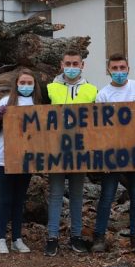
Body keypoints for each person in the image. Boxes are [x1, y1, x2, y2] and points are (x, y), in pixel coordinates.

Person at [92, 54, 135, 254]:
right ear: (109, 70)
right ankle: (99, 238)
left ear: (128, 68)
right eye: (115, 68)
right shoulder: (103, 95)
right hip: (112, 154)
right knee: (106, 196)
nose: (119, 71)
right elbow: (97, 126)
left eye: (122, 67)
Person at [44, 50, 98, 256]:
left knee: (77, 195)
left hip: (80, 150)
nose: (72, 66)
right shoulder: (50, 88)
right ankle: (52, 237)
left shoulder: (92, 90)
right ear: (61, 64)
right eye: (68, 63)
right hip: (56, 150)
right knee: (56, 194)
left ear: (82, 65)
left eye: (76, 63)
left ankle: (76, 236)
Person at [0, 68, 45, 254]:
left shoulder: (38, 103)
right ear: (16, 84)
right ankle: (1, 238)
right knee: (5, 199)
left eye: (29, 83)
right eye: (22, 83)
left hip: (27, 159)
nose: (26, 86)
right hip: (5, 158)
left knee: (20, 200)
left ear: (34, 85)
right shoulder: (6, 101)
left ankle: (17, 238)